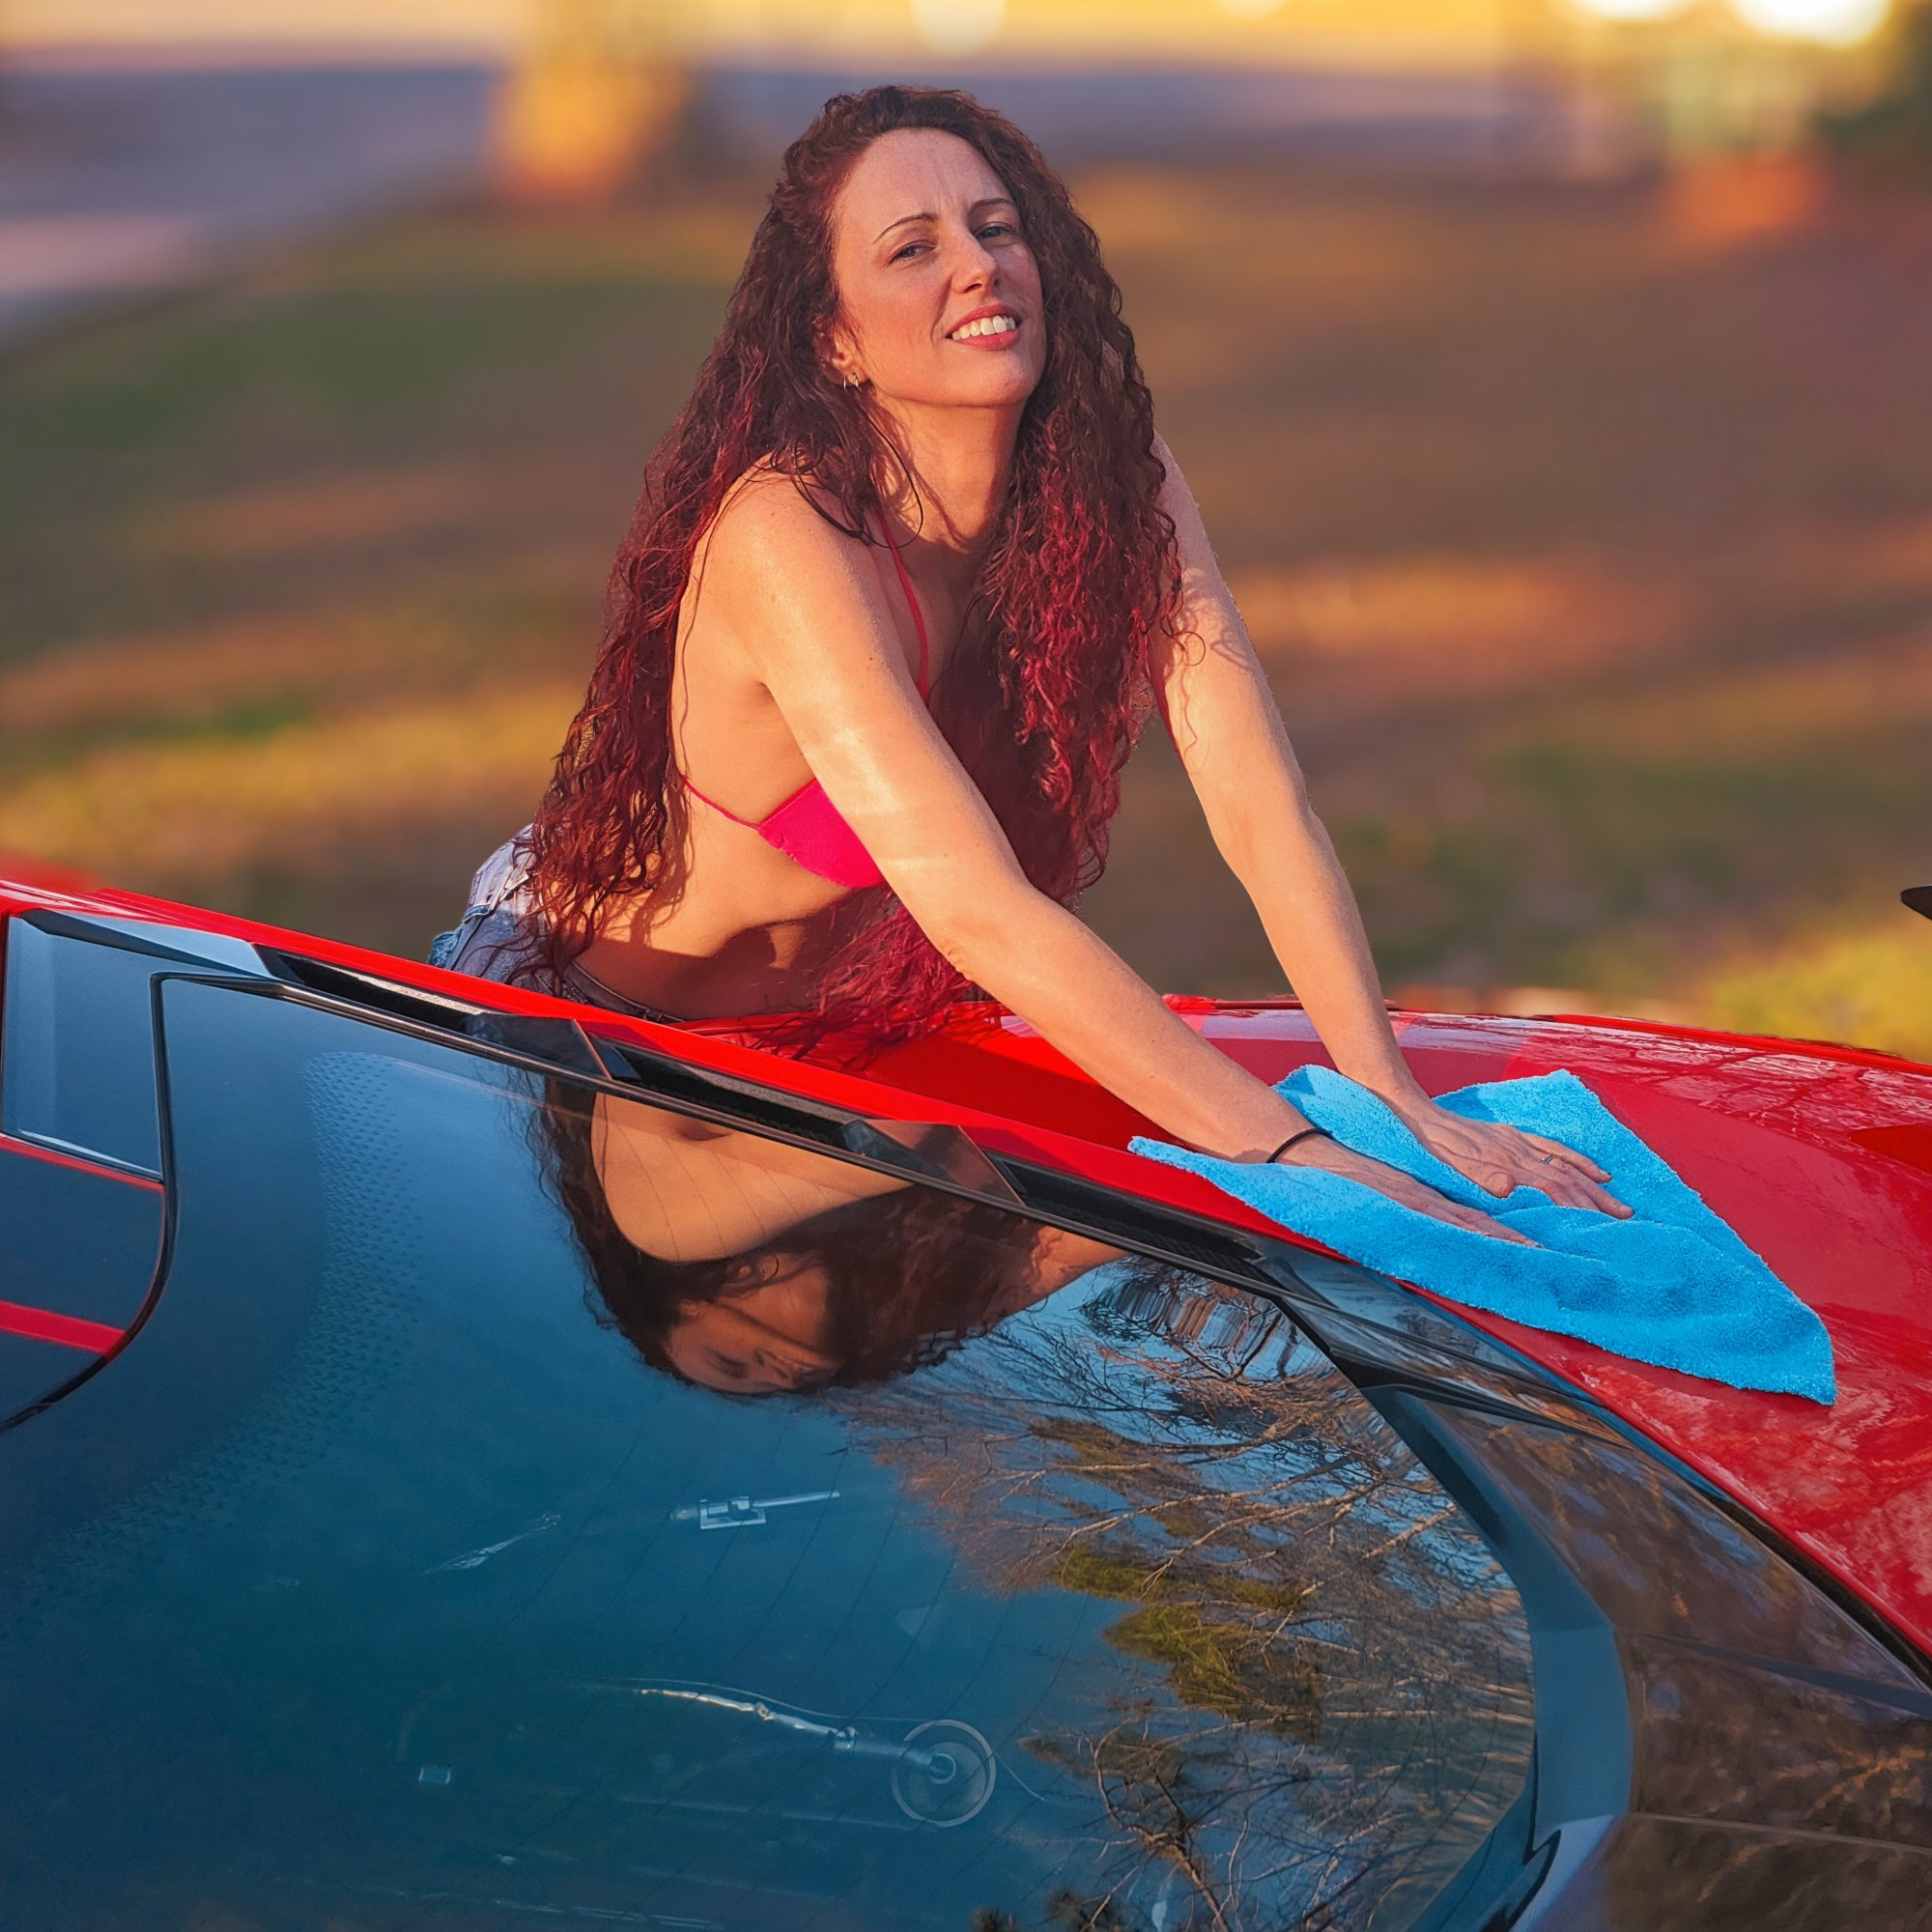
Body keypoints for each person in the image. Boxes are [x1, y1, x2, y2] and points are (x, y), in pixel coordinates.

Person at [435, 84, 1627, 1239]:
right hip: (583, 1021)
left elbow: (1258, 795)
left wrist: (1386, 1093)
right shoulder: (787, 538)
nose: (975, 263)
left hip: (826, 1045)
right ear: (835, 342)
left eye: (994, 226)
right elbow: (978, 909)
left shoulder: (1114, 476)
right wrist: (1293, 1156)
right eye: (910, 248)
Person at [536, 1080, 1120, 1393]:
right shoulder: (911, 1285)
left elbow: (903, 1129)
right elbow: (1096, 1234)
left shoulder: (665, 1223)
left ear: (693, 1292)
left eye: (732, 1362)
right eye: (772, 1388)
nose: (778, 1376)